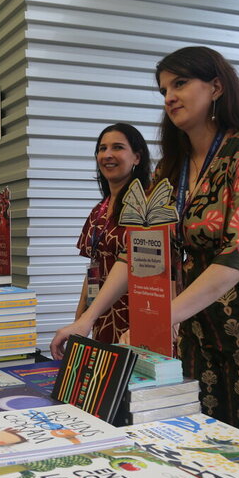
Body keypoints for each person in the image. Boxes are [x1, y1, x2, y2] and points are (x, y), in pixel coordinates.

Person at [51, 46, 239, 455]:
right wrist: (86, 320)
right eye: (163, 90)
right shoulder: (169, 170)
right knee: (211, 450)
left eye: (180, 83)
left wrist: (158, 320)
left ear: (216, 87)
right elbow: (138, 253)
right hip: (202, 329)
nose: (169, 96)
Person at [72, 124, 151, 345]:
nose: (107, 155)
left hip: (140, 316)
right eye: (102, 148)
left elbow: (166, 271)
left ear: (137, 157)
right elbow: (92, 272)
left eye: (117, 147)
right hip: (102, 317)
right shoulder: (99, 210)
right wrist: (81, 320)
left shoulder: (146, 207)